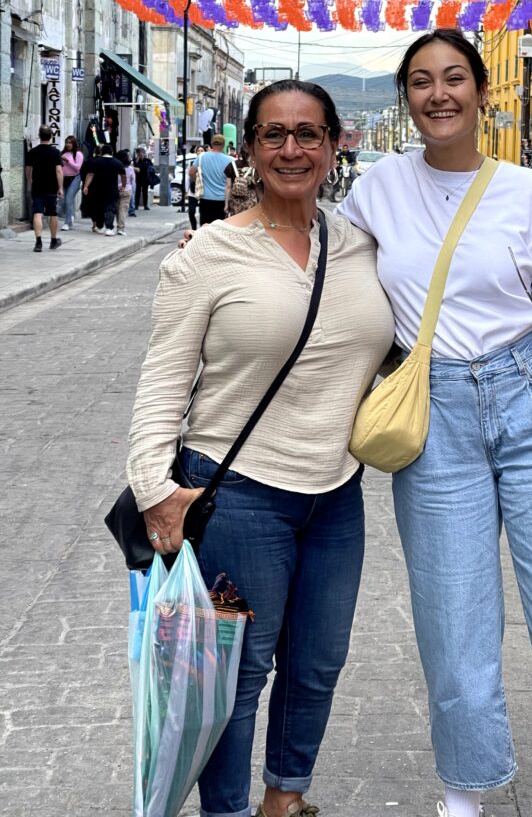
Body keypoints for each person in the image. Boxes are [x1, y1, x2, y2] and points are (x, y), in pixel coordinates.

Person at [338, 29, 532, 817]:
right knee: (453, 618)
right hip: (433, 415)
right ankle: (464, 794)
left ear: (480, 93)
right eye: (421, 81)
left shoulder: (529, 192)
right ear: (406, 98)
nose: (438, 94)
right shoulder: (376, 190)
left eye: (454, 78)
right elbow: (327, 275)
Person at [125, 79, 394, 817]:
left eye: (308, 133)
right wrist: (154, 490)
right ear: (249, 148)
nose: (291, 149)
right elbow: (162, 380)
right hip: (235, 496)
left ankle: (284, 800)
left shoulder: (362, 246)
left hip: (336, 497)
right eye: (274, 134)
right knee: (233, 676)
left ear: (335, 145)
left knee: (317, 665)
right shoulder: (209, 254)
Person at [25, 125, 63, 252]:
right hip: (51, 187)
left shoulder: (33, 152)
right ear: (51, 136)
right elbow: (59, 171)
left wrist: (30, 180)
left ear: (39, 136)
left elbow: (28, 170)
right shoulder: (55, 152)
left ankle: (38, 243)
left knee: (37, 213)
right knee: (52, 213)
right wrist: (60, 187)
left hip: (37, 186)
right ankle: (53, 240)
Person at [81, 143, 126, 235]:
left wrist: (86, 186)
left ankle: (100, 226)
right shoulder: (117, 163)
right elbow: (123, 176)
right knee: (109, 208)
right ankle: (109, 228)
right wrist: (123, 185)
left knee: (99, 208)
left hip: (97, 189)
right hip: (112, 190)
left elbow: (90, 174)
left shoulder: (95, 162)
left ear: (101, 152)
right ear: (112, 152)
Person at [190, 133, 231, 224]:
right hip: (222, 200)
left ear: (212, 144)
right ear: (223, 145)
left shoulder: (202, 157)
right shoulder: (230, 160)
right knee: (220, 227)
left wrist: (197, 180)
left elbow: (191, 172)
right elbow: (230, 183)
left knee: (205, 226)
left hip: (205, 198)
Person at [60, 135, 84, 231]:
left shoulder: (78, 154)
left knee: (69, 198)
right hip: (64, 179)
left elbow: (78, 167)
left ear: (74, 144)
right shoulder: (62, 153)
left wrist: (68, 161)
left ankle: (67, 223)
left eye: (70, 142)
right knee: (63, 201)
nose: (68, 144)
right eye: (66, 142)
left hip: (75, 178)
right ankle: (71, 215)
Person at [115, 150, 135, 236]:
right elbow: (132, 180)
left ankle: (117, 225)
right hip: (126, 190)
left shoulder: (115, 167)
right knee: (123, 210)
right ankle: (121, 228)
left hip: (116, 190)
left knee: (117, 209)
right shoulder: (130, 169)